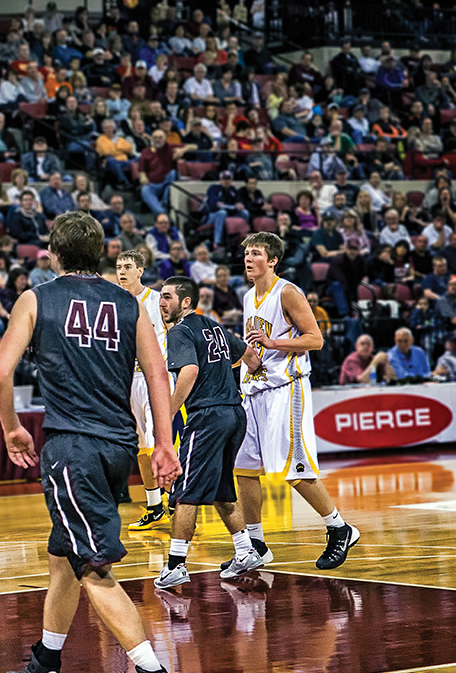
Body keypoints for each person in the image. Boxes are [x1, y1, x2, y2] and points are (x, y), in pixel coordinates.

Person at [0, 211, 182, 673]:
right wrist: (164, 443)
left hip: (72, 447)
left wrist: (11, 428)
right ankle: (45, 666)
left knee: (91, 566)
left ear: (53, 254)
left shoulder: (35, 299)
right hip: (119, 447)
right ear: (100, 255)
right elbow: (157, 375)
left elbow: (0, 374)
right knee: (63, 553)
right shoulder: (129, 302)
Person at [233, 232, 360, 572]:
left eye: (256, 253)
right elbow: (256, 344)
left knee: (294, 470)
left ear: (272, 260)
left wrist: (273, 343)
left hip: (286, 388)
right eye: (246, 253)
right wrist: (245, 357)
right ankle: (256, 544)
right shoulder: (247, 296)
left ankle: (339, 528)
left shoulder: (287, 292)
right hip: (255, 388)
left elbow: (315, 339)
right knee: (244, 468)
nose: (248, 258)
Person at [153, 277, 265, 590]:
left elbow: (189, 371)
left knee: (184, 491)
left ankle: (176, 565)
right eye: (161, 297)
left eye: (168, 297)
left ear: (186, 302)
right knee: (221, 489)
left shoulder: (179, 331)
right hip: (235, 414)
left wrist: (168, 413)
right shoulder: (214, 326)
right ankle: (245, 551)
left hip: (208, 417)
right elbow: (252, 358)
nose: (162, 303)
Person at [115, 250, 170, 529]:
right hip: (128, 379)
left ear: (140, 270)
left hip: (154, 378)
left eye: (127, 266)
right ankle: (154, 506)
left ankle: (178, 500)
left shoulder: (158, 301)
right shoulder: (114, 302)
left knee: (159, 441)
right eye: (118, 267)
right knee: (140, 446)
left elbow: (174, 334)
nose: (122, 271)